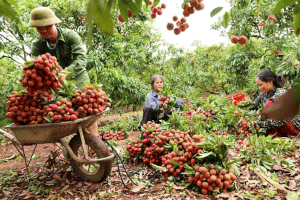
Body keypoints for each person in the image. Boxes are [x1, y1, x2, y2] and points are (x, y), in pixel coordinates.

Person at [28, 7, 98, 135]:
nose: (43, 30)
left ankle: (94, 141)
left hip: (78, 76)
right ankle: (72, 146)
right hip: (55, 82)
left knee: (89, 112)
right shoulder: (37, 44)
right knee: (60, 113)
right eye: (39, 28)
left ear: (55, 23)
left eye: (47, 26)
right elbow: (36, 66)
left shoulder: (70, 36)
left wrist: (66, 72)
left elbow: (81, 58)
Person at [249, 69, 300, 137]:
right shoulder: (264, 94)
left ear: (270, 82)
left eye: (261, 85)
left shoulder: (281, 92)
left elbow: (281, 121)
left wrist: (259, 124)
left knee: (268, 105)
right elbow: (254, 104)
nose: (259, 88)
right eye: (258, 85)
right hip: (278, 126)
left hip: (292, 126)